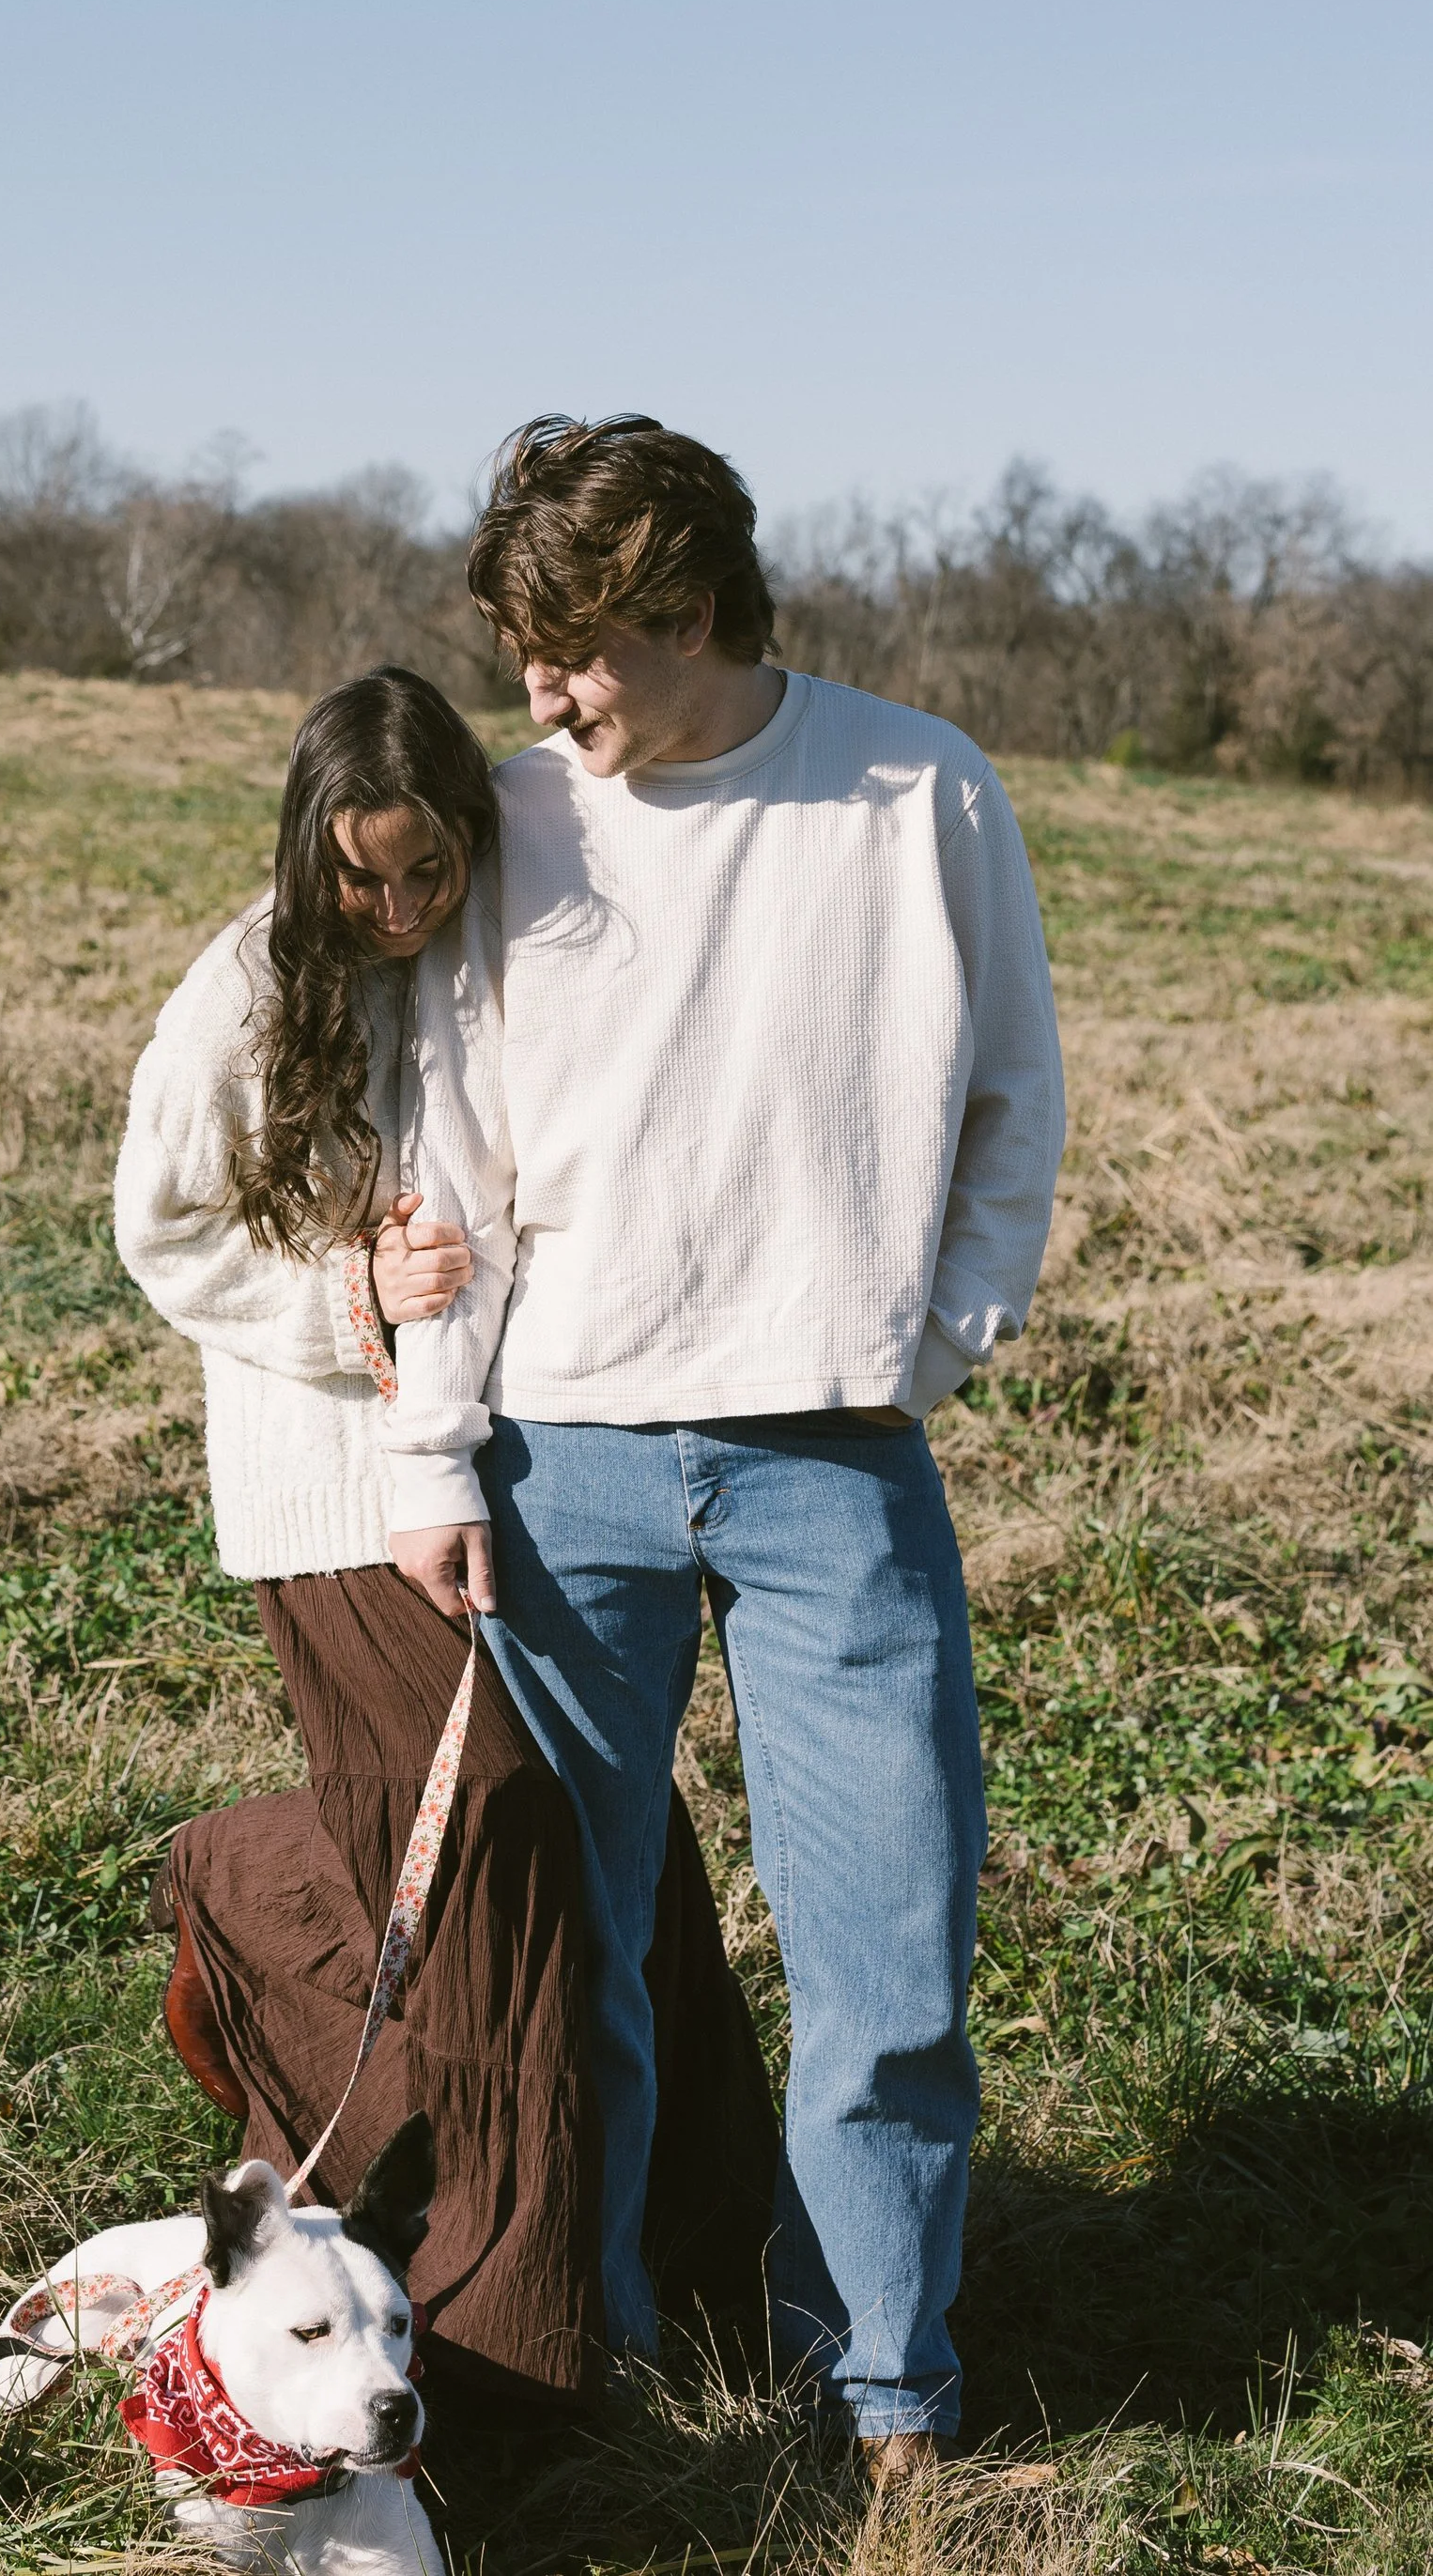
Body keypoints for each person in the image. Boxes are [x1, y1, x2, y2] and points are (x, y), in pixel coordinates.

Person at [380, 419, 1065, 2477]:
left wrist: (923, 1345)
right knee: (562, 1961)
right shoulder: (508, 819)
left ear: (681, 610)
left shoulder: (912, 785)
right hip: (555, 1460)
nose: (541, 696)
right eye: (516, 652)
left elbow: (1009, 1098)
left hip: (830, 1461)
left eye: (571, 652)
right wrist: (431, 1450)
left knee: (888, 1952)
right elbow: (444, 1144)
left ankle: (885, 2394)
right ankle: (576, 2354)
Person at [115, 664, 775, 2413]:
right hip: (320, 1484)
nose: (398, 908)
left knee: (601, 1846)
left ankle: (697, 2263)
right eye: (363, 877)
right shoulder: (244, 985)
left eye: (427, 871)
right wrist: (350, 1299)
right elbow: (157, 1227)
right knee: (483, 1839)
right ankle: (509, 2340)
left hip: (490, 1469)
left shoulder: (479, 964)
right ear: (309, 850)